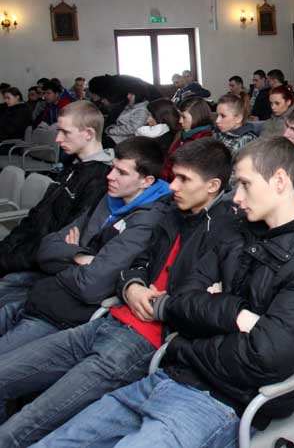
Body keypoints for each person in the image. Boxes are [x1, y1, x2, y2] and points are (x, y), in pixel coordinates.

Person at [33, 137, 294, 448]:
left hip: (221, 403)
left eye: (245, 184)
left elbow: (265, 357)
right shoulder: (237, 233)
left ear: (279, 181)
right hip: (165, 379)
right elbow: (181, 297)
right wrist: (235, 314)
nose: (236, 197)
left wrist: (190, 340)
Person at [0, 139, 238, 446]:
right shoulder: (171, 213)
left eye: (183, 179)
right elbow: (136, 263)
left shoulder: (225, 232)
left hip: (140, 343)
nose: (172, 186)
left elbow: (199, 300)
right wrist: (132, 286)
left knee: (26, 424)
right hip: (106, 321)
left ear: (212, 186)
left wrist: (161, 300)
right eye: (174, 176)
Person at [0, 138, 171, 357]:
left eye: (121, 172)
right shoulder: (110, 198)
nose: (110, 176)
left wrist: (66, 258)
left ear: (146, 181)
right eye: (112, 168)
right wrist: (79, 256)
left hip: (61, 316)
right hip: (42, 295)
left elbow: (93, 285)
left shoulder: (149, 221)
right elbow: (46, 248)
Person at [0, 102, 112, 285]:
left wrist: (7, 259)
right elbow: (37, 216)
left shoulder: (101, 179)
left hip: (40, 266)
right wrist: (6, 248)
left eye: (65, 132)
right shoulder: (74, 167)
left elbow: (61, 240)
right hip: (26, 254)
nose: (58, 139)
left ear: (89, 134)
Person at [161, 98, 213, 181]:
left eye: (184, 117)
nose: (180, 121)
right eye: (180, 116)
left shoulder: (204, 142)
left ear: (196, 117)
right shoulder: (182, 134)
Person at [213, 94, 259, 158]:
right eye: (217, 115)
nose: (217, 121)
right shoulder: (218, 132)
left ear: (238, 118)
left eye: (223, 116)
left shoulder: (246, 141)